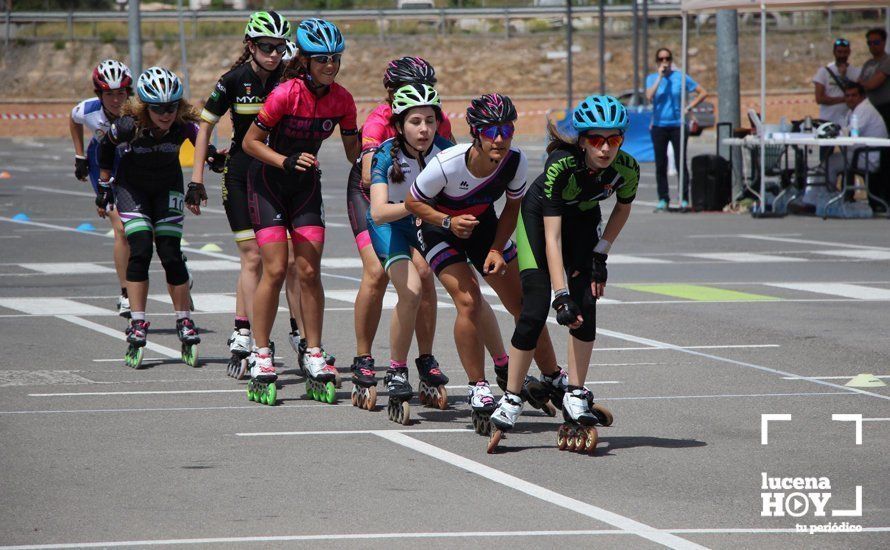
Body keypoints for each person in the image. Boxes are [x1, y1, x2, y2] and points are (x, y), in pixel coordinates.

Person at [405, 93, 563, 435]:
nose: (500, 138)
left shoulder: (515, 160)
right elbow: (413, 202)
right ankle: (478, 387)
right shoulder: (448, 163)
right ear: (476, 132)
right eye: (492, 131)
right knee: (470, 302)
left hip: (483, 228)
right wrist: (447, 222)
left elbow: (512, 208)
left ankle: (554, 377)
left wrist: (494, 249)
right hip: (439, 230)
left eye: (507, 129)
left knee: (525, 305)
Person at [488, 95, 637, 453]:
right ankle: (511, 397)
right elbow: (552, 238)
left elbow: (623, 208)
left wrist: (601, 253)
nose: (605, 149)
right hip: (540, 223)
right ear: (583, 140)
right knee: (535, 310)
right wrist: (561, 295)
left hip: (582, 224)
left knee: (586, 304)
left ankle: (575, 392)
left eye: (613, 140)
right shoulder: (560, 165)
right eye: (597, 140)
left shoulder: (627, 168)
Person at [241, 18, 359, 404]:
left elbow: (355, 152)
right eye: (322, 58)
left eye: (335, 58)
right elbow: (250, 143)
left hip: (306, 185)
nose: (330, 65)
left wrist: (377, 150)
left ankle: (314, 350)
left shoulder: (342, 99)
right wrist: (285, 161)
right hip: (269, 182)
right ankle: (260, 354)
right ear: (305, 60)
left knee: (309, 270)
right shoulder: (285, 94)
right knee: (275, 269)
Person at [190, 11, 306, 375]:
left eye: (279, 47)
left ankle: (299, 333)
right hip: (240, 175)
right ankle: (245, 332)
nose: (274, 54)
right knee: (254, 257)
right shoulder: (233, 80)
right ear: (251, 46)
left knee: (286, 261)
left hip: (276, 174)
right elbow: (204, 126)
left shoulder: (289, 80)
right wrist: (196, 179)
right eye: (266, 47)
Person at [346, 56, 453, 398]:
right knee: (376, 272)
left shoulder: (435, 120)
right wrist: (414, 196)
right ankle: (363, 357)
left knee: (424, 274)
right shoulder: (381, 120)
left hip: (413, 198)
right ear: (392, 94)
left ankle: (424, 357)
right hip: (373, 194)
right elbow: (367, 175)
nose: (421, 97)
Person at [97, 67, 204, 366]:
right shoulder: (128, 125)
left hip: (168, 187)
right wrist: (104, 184)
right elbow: (104, 148)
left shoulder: (183, 125)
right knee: (141, 249)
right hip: (133, 189)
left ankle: (184, 320)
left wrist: (215, 163)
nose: (166, 114)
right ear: (145, 107)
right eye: (158, 109)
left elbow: (202, 145)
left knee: (170, 252)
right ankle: (138, 321)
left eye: (171, 107)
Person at [70, 60, 133, 317]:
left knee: (143, 229)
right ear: (99, 94)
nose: (116, 100)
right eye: (109, 94)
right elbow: (73, 121)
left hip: (131, 164)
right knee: (121, 229)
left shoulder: (138, 111)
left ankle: (177, 263)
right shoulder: (87, 110)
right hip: (102, 165)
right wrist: (79, 156)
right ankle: (126, 292)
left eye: (121, 93)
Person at [645, 47, 707, 212]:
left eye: (667, 59)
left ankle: (684, 198)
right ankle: (663, 199)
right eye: (661, 59)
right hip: (659, 125)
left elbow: (702, 92)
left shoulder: (680, 77)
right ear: (657, 61)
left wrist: (688, 107)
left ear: (671, 60)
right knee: (661, 164)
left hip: (677, 125)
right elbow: (649, 96)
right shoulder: (652, 78)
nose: (664, 62)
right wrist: (660, 76)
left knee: (681, 162)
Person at [825, 83, 888, 200]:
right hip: (861, 153)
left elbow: (850, 133)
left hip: (869, 157)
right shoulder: (853, 111)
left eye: (854, 95)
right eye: (847, 96)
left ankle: (829, 199)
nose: (850, 99)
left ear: (862, 96)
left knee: (830, 163)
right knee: (832, 160)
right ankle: (838, 197)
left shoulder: (864, 109)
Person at [813, 38, 861, 161]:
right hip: (826, 121)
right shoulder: (824, 72)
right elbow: (819, 98)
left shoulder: (856, 72)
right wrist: (843, 99)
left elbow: (858, 95)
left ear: (849, 52)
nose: (842, 55)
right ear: (834, 52)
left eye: (845, 52)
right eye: (839, 52)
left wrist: (844, 77)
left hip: (847, 122)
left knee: (849, 157)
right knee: (823, 157)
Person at [859, 28, 890, 209]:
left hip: (885, 110)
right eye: (869, 43)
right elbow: (861, 84)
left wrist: (863, 84)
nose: (872, 46)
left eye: (876, 42)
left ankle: (884, 196)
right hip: (871, 109)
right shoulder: (868, 63)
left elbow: (871, 83)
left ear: (884, 42)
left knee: (884, 155)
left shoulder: (887, 62)